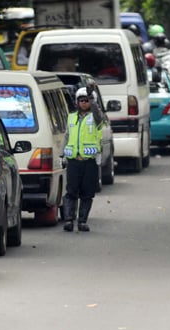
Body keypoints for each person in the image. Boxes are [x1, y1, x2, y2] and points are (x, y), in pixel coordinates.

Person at [61, 86, 104, 232]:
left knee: (87, 193)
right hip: (73, 162)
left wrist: (92, 99)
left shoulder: (96, 118)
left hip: (89, 162)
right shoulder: (71, 117)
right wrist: (62, 155)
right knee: (71, 192)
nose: (84, 103)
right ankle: (68, 220)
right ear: (77, 102)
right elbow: (66, 136)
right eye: (82, 100)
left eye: (87, 101)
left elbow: (97, 113)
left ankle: (82, 221)